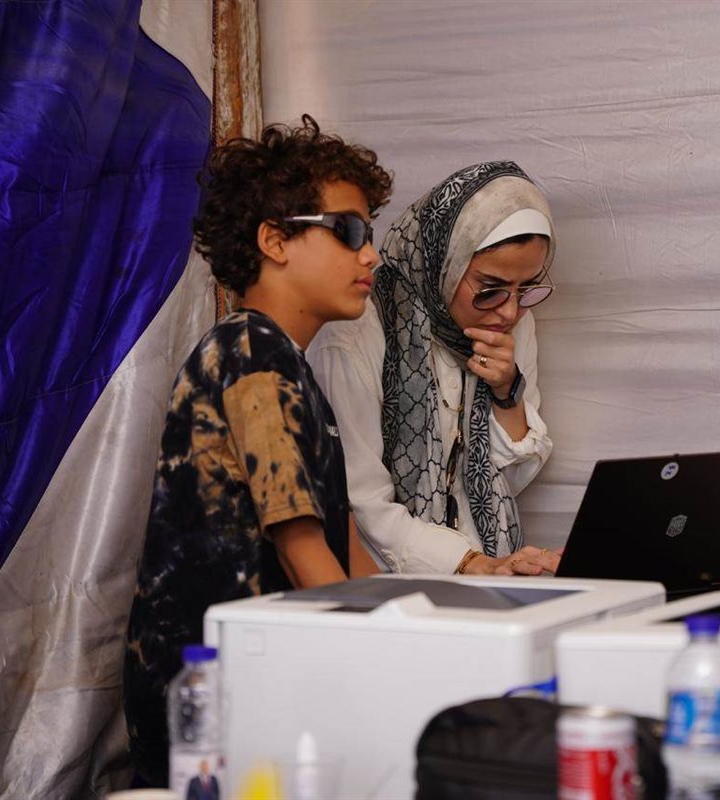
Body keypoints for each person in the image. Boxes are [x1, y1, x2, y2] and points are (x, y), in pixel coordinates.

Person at [123, 116, 391, 786]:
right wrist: (387, 664)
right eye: (349, 231)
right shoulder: (252, 353)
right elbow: (302, 547)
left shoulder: (283, 362)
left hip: (253, 687)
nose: (370, 256)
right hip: (214, 709)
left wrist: (406, 619)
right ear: (274, 241)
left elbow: (342, 541)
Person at [310, 161, 561, 576]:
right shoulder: (357, 330)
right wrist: (466, 563)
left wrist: (507, 394)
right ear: (445, 262)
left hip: (490, 572)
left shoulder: (517, 326)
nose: (509, 311)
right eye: (490, 289)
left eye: (528, 287)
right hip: (384, 585)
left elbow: (505, 486)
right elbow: (359, 501)